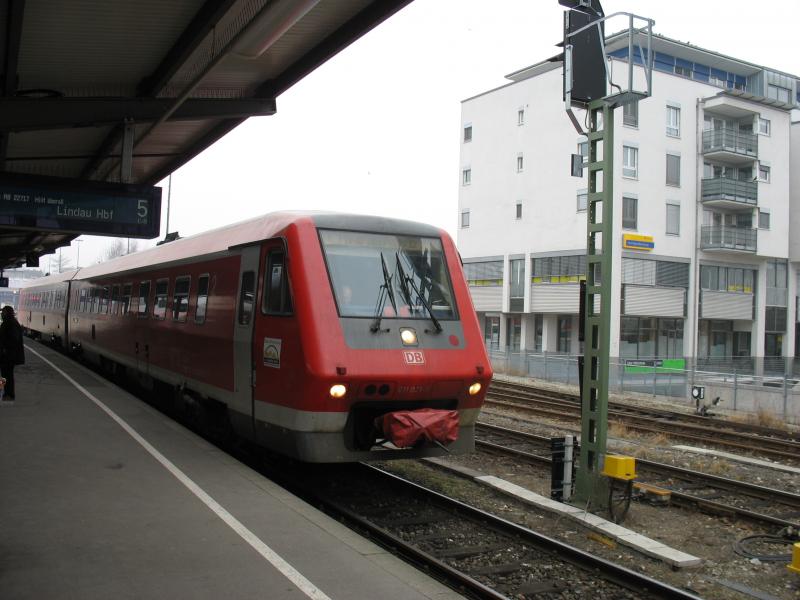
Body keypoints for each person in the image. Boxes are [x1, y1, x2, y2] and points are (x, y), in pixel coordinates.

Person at [0, 306, 24, 401]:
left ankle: (8, 394)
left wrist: (5, 348)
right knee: (6, 376)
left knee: (7, 376)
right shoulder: (10, 322)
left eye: (3, 313)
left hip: (8, 355)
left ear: (7, 313)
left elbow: (13, 339)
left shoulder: (10, 324)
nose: (2, 314)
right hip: (7, 354)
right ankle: (6, 393)